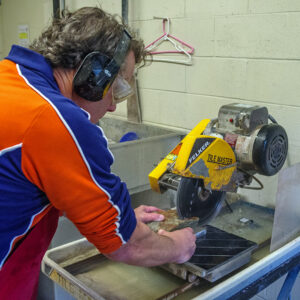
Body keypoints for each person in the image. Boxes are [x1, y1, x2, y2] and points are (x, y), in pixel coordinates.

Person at [0, 7, 196, 299]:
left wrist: (117, 215)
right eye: (116, 87)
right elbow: (129, 245)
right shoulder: (56, 120)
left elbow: (26, 181)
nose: (114, 106)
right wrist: (178, 247)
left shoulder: (10, 77)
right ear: (93, 75)